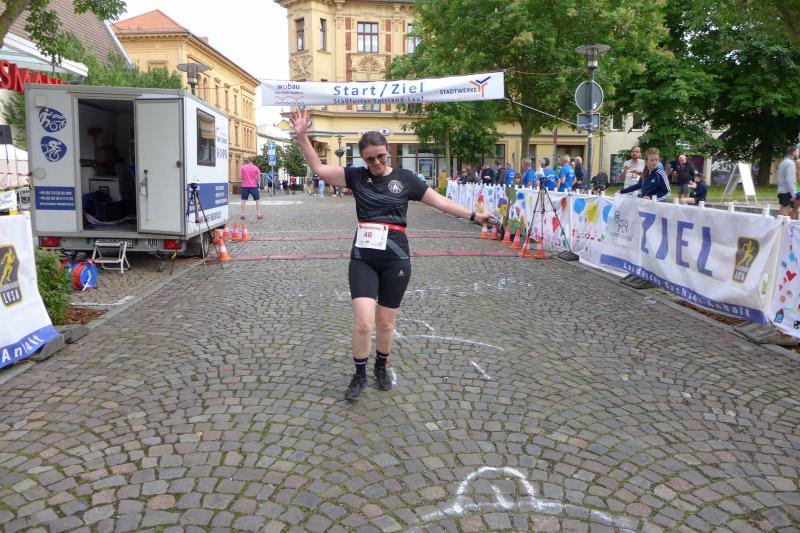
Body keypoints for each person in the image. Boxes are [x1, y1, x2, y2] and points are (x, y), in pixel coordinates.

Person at [290, 108, 493, 401]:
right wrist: (302, 137)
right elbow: (319, 170)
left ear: (388, 152)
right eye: (369, 158)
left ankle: (381, 366)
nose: (376, 162)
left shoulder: (405, 179)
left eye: (381, 156)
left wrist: (474, 215)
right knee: (363, 322)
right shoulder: (356, 176)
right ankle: (359, 374)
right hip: (363, 259)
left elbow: (440, 202)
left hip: (395, 259)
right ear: (363, 158)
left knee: (386, 322)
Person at [777, 145, 798, 217]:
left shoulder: (783, 162)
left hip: (782, 191)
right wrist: (793, 192)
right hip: (786, 192)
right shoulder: (791, 163)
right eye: (797, 152)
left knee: (781, 213)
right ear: (794, 152)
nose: (798, 154)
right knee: (785, 215)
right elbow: (789, 179)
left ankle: (779, 224)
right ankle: (782, 224)